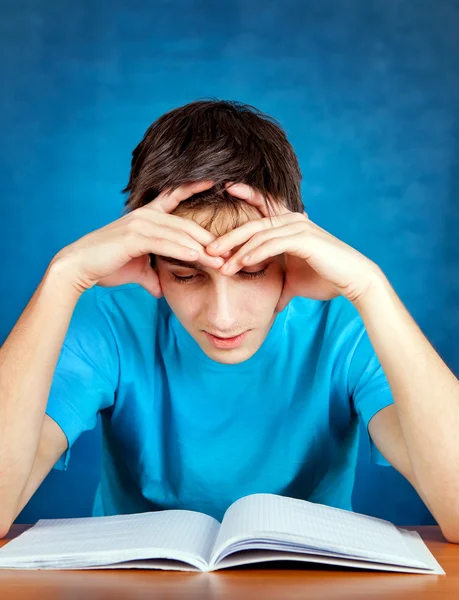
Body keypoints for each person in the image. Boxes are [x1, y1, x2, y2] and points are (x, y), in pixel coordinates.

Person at [1, 100, 459, 542]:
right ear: (149, 261)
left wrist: (371, 288)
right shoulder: (111, 316)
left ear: (288, 254)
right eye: (186, 275)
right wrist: (64, 276)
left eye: (253, 270)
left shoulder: (344, 322)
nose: (222, 317)